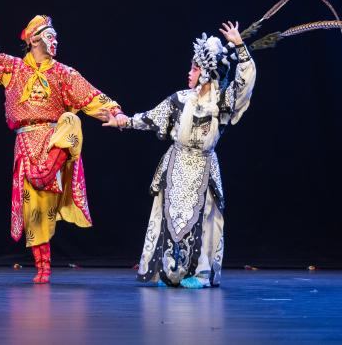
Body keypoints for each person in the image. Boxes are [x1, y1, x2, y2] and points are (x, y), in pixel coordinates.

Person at [0, 4, 123, 283]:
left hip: (54, 144)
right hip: (26, 145)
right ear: (33, 39)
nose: (55, 41)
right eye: (50, 36)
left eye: (56, 36)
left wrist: (116, 113)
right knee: (35, 212)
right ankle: (43, 268)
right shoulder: (13, 68)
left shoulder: (64, 73)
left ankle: (49, 170)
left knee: (71, 120)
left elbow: (91, 97)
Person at [104, 21, 255, 288]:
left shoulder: (222, 102)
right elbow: (151, 118)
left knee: (203, 219)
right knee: (169, 217)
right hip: (177, 164)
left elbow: (244, 85)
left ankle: (201, 274)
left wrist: (240, 46)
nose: (189, 72)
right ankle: (169, 272)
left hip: (204, 166)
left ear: (207, 71)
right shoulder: (180, 99)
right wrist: (123, 121)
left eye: (195, 68)